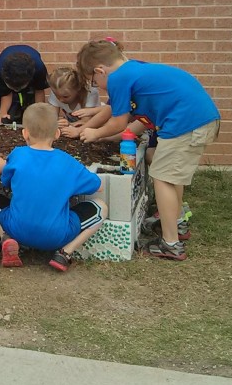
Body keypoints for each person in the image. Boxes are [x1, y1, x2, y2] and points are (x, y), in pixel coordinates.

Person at [77, 39, 221, 261]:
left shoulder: (118, 78)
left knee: (162, 178)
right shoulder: (135, 69)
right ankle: (177, 224)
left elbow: (117, 121)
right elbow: (140, 122)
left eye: (94, 81)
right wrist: (120, 136)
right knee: (171, 177)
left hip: (186, 122)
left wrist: (95, 134)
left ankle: (171, 244)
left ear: (100, 70)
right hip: (198, 119)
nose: (98, 86)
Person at [0, 103, 106, 272]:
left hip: (17, 229)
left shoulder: (18, 155)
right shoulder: (68, 163)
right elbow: (98, 186)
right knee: (101, 207)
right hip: (57, 236)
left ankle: (5, 238)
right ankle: (65, 253)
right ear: (57, 133)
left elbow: (6, 181)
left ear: (25, 133)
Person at [0, 44, 49, 124]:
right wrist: (2, 114)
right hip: (7, 72)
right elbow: (5, 94)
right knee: (10, 113)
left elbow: (39, 90)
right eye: (12, 87)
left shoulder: (39, 68)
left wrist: (40, 115)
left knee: (33, 111)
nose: (16, 90)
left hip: (30, 73)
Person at [47, 66, 101, 138]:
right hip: (73, 127)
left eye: (65, 96)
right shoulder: (58, 92)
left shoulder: (90, 93)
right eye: (56, 95)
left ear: (77, 88)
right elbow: (51, 117)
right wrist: (56, 123)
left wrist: (69, 124)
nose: (60, 100)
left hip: (95, 127)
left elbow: (86, 121)